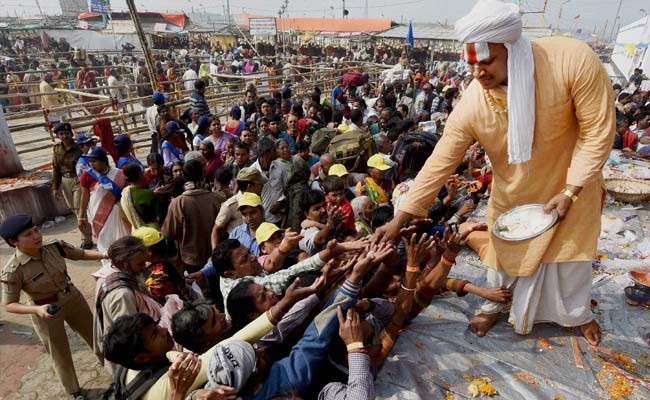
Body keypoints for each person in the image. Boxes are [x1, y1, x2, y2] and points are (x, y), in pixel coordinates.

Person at [374, 0, 614, 345]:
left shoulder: (571, 60)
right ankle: (495, 307)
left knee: (569, 262)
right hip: (513, 193)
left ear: (512, 50)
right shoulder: (474, 101)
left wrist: (571, 190)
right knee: (505, 259)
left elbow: (597, 131)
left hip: (572, 184)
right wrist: (400, 219)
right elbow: (440, 161)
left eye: (487, 62)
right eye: (471, 65)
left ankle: (575, 315)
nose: (478, 74)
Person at [1, 214, 106, 400]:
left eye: (36, 230)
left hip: (72, 297)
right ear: (13, 241)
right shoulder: (13, 269)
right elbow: (9, 305)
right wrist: (37, 310)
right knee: (60, 353)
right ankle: (75, 391)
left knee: (95, 335)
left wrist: (106, 254)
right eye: (28, 234)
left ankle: (113, 367)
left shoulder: (54, 246)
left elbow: (80, 254)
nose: (36, 236)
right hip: (45, 311)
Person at [162, 159, 225, 273]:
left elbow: (168, 233)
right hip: (217, 257)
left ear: (184, 177)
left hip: (190, 260)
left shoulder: (178, 203)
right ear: (202, 175)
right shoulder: (218, 198)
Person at [79, 147, 131, 257]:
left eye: (94, 161)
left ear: (103, 160)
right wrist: (81, 217)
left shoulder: (119, 174)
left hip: (118, 215)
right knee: (105, 243)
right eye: (90, 162)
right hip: (98, 216)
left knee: (122, 241)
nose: (91, 165)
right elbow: (84, 197)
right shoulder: (86, 176)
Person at [51, 122, 93, 249]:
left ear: (71, 134)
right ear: (58, 135)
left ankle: (86, 239)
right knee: (74, 209)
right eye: (61, 134)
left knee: (80, 209)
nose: (64, 136)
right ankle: (88, 233)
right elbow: (55, 169)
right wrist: (55, 187)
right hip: (65, 181)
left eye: (66, 133)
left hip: (78, 180)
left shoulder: (79, 148)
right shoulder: (57, 149)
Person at [211, 167, 267, 249]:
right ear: (250, 186)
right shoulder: (230, 205)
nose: (262, 186)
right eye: (259, 184)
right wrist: (215, 254)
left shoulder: (258, 199)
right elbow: (216, 230)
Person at [252, 138, 289, 225]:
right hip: (260, 220)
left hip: (279, 218)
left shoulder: (280, 167)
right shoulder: (252, 171)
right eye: (273, 150)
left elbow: (287, 189)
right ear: (267, 153)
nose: (276, 152)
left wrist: (280, 202)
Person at [120, 163, 160, 231]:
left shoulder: (124, 193)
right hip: (152, 232)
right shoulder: (148, 194)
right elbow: (159, 216)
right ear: (140, 175)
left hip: (136, 231)